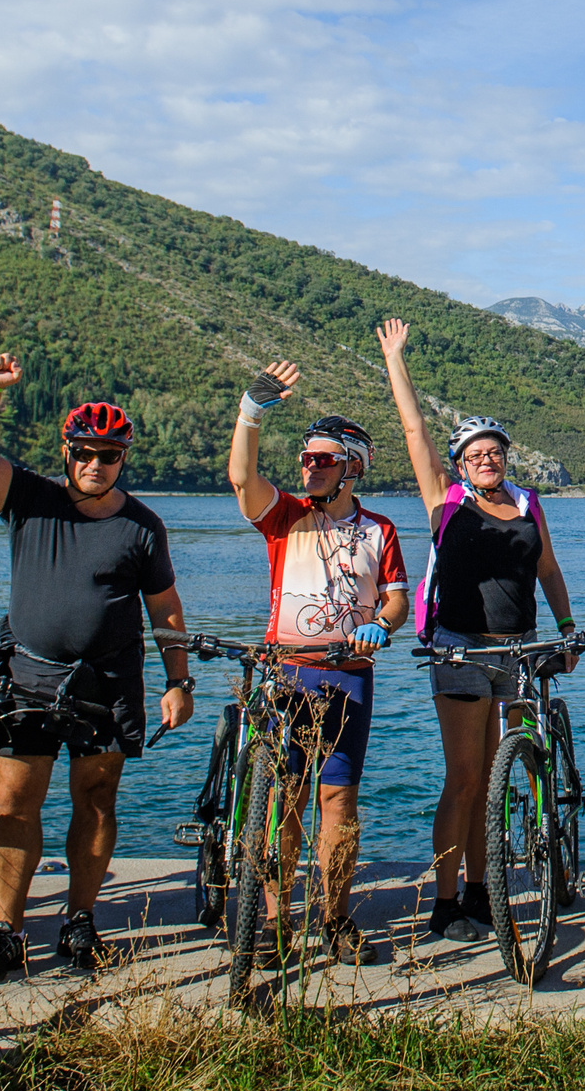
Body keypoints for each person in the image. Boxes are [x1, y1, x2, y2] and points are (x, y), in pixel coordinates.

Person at [0, 359, 194, 982]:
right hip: (28, 676)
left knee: (95, 801)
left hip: (107, 685)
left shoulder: (142, 526)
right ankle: (7, 933)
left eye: (108, 455)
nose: (95, 464)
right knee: (13, 803)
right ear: (67, 450)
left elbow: (164, 607)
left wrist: (178, 680)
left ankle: (79, 922)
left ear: (123, 458)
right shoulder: (30, 500)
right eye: (85, 451)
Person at [376, 317, 579, 945]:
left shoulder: (526, 502)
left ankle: (482, 891)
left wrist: (568, 627)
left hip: (518, 646)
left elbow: (546, 566)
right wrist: (395, 359)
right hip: (460, 645)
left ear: (505, 458)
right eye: (474, 454)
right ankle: (443, 903)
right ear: (462, 464)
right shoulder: (446, 500)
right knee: (464, 776)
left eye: (494, 451)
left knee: (502, 772)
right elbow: (414, 430)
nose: (485, 459)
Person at [227, 364, 410, 965]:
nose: (310, 467)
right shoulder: (284, 516)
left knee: (338, 802)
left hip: (347, 678)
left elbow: (396, 597)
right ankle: (276, 921)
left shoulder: (378, 529)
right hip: (287, 672)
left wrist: (379, 627)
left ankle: (334, 919)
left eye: (324, 460)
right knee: (286, 796)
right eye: (306, 459)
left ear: (353, 466)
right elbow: (240, 477)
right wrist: (251, 411)